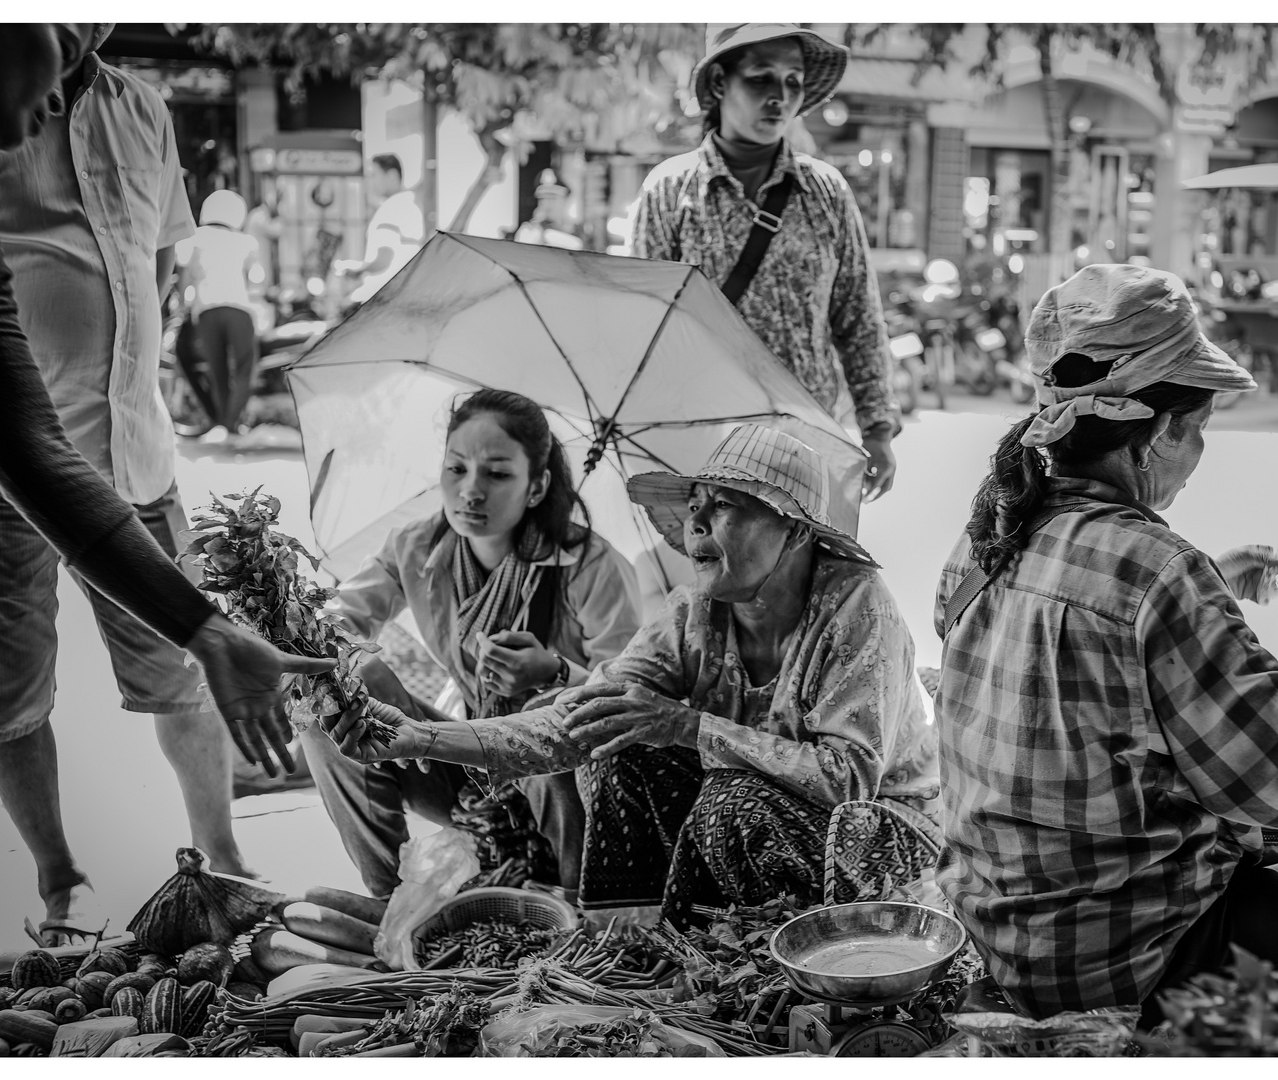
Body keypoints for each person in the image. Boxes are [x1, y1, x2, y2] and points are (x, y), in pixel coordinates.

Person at [933, 264, 1278, 1024]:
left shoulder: (987, 535)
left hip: (1002, 930)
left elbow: (1070, 652)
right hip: (1125, 961)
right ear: (1163, 431)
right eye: (1197, 428)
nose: (1196, 448)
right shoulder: (1157, 575)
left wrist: (1209, 592)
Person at [0, 22, 335, 940]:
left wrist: (206, 629)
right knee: (9, 686)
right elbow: (15, 442)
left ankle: (224, 859)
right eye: (38, 68)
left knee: (177, 674)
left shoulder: (134, 109)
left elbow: (152, 266)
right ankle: (63, 881)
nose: (52, 101)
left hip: (129, 449)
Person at [324, 425, 941, 923]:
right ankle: (630, 939)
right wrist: (414, 737)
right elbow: (573, 724)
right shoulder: (692, 614)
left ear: (797, 530)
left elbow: (847, 779)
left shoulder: (857, 607)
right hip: (743, 823)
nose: (697, 524)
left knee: (727, 797)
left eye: (725, 507)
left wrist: (687, 725)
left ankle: (770, 945)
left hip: (879, 835)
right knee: (618, 740)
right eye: (695, 506)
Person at [297, 389, 644, 901]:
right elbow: (337, 621)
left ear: (536, 486)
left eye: (498, 474)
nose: (470, 492)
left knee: (556, 711)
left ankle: (583, 903)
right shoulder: (416, 547)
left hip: (566, 787)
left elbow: (627, 699)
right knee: (334, 690)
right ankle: (391, 902)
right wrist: (279, 647)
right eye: (456, 469)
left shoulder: (594, 567)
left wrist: (553, 673)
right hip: (466, 768)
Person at [632, 24, 899, 502]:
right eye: (760, 79)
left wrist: (877, 427)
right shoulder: (669, 191)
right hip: (703, 444)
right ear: (719, 84)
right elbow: (646, 325)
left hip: (807, 442)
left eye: (793, 81)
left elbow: (858, 318)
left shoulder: (827, 192)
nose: (779, 97)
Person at [176, 189, 261, 442]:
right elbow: (257, 279)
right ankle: (230, 423)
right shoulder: (246, 241)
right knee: (245, 366)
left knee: (217, 370)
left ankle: (221, 422)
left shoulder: (194, 237)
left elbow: (184, 276)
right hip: (240, 310)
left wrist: (183, 305)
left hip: (206, 310)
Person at [336, 153, 424, 305]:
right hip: (404, 295)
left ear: (391, 175)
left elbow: (383, 260)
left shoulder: (391, 209)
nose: (369, 182)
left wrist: (356, 269)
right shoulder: (410, 206)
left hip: (384, 299)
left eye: (373, 175)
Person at [512, 169, 586, 251]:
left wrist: (548, 235)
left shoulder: (577, 230)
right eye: (542, 198)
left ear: (565, 199)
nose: (547, 203)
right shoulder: (529, 229)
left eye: (552, 197)